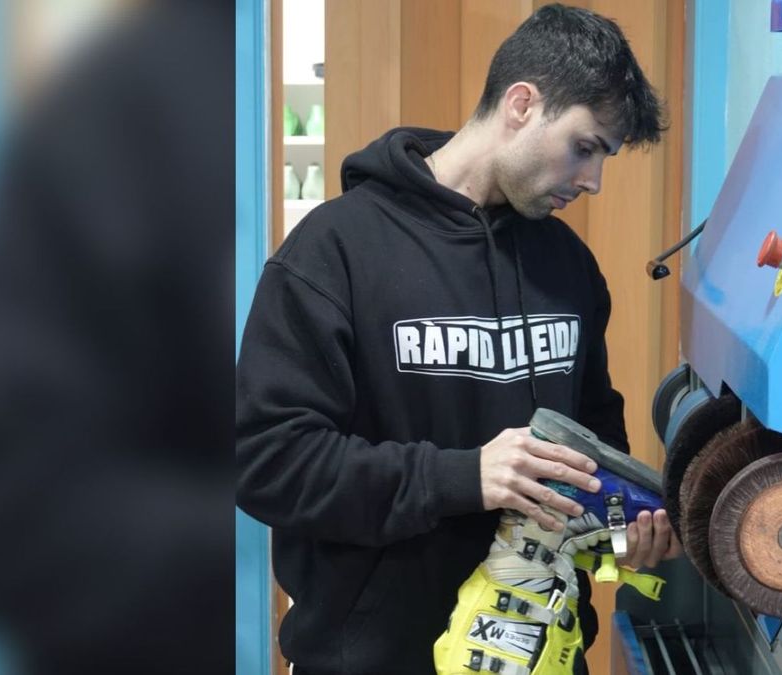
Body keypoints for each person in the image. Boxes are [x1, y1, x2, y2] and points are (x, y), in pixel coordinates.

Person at [236, 4, 680, 673]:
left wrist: (623, 531)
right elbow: (268, 461)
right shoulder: (334, 253)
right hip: (374, 657)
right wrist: (461, 476)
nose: (592, 181)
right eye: (585, 147)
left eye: (604, 158)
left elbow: (594, 444)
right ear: (522, 104)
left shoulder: (568, 266)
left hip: (541, 652)